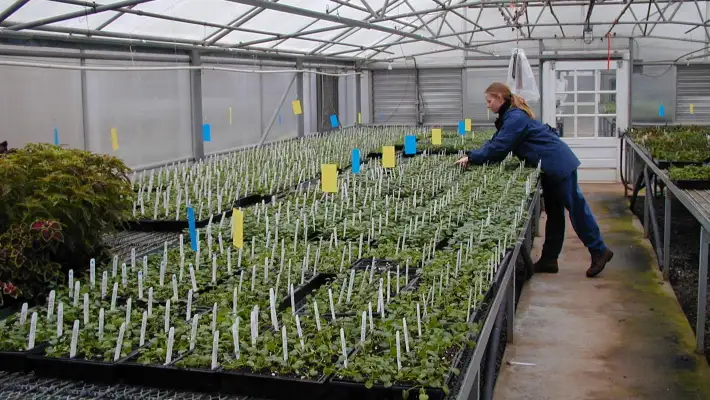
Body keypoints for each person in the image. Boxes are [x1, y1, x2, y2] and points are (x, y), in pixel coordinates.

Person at [455, 82, 613, 278]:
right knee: (555, 214)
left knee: (576, 208)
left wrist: (471, 158)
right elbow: (496, 141)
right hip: (549, 165)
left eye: (489, 101)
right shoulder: (510, 116)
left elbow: (500, 147)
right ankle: (549, 259)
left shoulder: (515, 118)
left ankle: (599, 250)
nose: (487, 105)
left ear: (500, 99)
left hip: (557, 163)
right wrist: (474, 154)